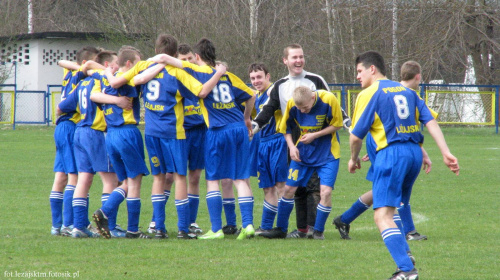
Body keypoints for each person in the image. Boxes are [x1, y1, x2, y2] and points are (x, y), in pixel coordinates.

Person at [348, 51, 459, 279]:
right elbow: (430, 121)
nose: (358, 77)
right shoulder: (407, 91)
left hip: (392, 154)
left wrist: (353, 158)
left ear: (372, 69)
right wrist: (445, 152)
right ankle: (405, 257)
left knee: (382, 215)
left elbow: (356, 136)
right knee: (394, 207)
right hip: (413, 154)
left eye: (359, 71)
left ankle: (407, 271)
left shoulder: (369, 94)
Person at [109, 36, 225, 239]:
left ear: (156, 49)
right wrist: (219, 73)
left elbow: (129, 79)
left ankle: (159, 228)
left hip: (151, 133)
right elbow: (201, 92)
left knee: (158, 178)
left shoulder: (144, 65)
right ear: (174, 54)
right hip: (173, 133)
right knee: (180, 176)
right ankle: (182, 228)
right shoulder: (177, 72)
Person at [149, 38, 256, 240]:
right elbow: (251, 95)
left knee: (213, 179)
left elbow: (164, 57)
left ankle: (216, 229)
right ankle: (248, 225)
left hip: (217, 130)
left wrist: (148, 63)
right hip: (238, 129)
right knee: (240, 179)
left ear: (196, 56)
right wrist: (247, 118)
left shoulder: (194, 70)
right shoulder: (230, 76)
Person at [252, 43, 350, 238]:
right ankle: (300, 229)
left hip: (320, 142)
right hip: (294, 143)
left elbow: (334, 107)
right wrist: (254, 127)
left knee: (316, 187)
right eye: (294, 57)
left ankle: (314, 229)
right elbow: (268, 110)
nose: (298, 60)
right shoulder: (280, 85)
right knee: (295, 188)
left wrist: (347, 122)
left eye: (301, 57)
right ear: (285, 60)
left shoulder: (315, 80)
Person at [333, 60, 432, 241]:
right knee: (394, 186)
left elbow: (408, 128)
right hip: (385, 141)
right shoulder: (401, 92)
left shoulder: (393, 90)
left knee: (382, 188)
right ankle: (408, 232)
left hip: (389, 141)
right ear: (418, 77)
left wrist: (421, 151)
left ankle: (345, 218)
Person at [57, 50, 126, 238]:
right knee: (110, 180)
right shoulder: (102, 79)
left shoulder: (82, 83)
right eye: (114, 65)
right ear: (106, 65)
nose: (116, 68)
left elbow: (61, 107)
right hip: (96, 133)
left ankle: (79, 227)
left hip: (79, 132)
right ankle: (108, 227)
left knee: (84, 179)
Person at [260, 86, 343, 240]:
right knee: (288, 189)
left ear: (312, 97)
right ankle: (281, 229)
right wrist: (291, 147)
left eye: (305, 108)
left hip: (328, 154)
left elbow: (338, 124)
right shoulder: (293, 104)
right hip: (302, 154)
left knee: (325, 192)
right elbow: (286, 128)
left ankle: (318, 232)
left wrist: (315, 135)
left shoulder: (328, 99)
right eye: (300, 108)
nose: (303, 111)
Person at [90, 46, 151, 239]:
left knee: (124, 181)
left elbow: (95, 95)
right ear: (129, 64)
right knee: (134, 182)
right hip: (127, 133)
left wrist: (107, 71)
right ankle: (126, 226)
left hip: (111, 136)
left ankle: (109, 218)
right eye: (138, 62)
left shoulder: (106, 82)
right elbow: (139, 78)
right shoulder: (128, 79)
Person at [50, 46, 100, 236]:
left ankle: (57, 225)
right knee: (75, 177)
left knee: (61, 176)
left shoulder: (70, 73)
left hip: (62, 127)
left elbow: (61, 61)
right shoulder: (82, 76)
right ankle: (70, 224)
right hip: (71, 125)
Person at [248, 63, 287, 235]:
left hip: (277, 141)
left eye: (259, 77)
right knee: (267, 187)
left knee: (281, 185)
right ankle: (265, 226)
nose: (256, 81)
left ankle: (281, 227)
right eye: (253, 78)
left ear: (268, 77)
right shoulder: (255, 96)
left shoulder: (274, 92)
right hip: (262, 144)